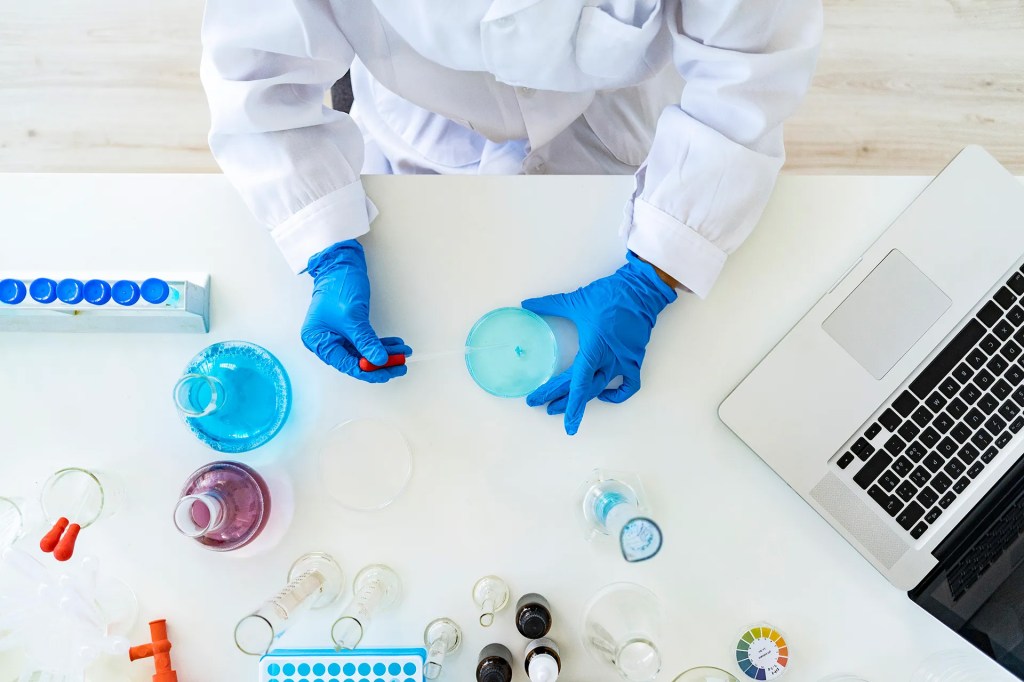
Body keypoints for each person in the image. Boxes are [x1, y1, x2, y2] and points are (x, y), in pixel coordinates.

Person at [200, 0, 823, 435]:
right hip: (418, 135)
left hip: (611, 133)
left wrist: (658, 270)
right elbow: (258, 72)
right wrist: (323, 240)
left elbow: (748, 77)